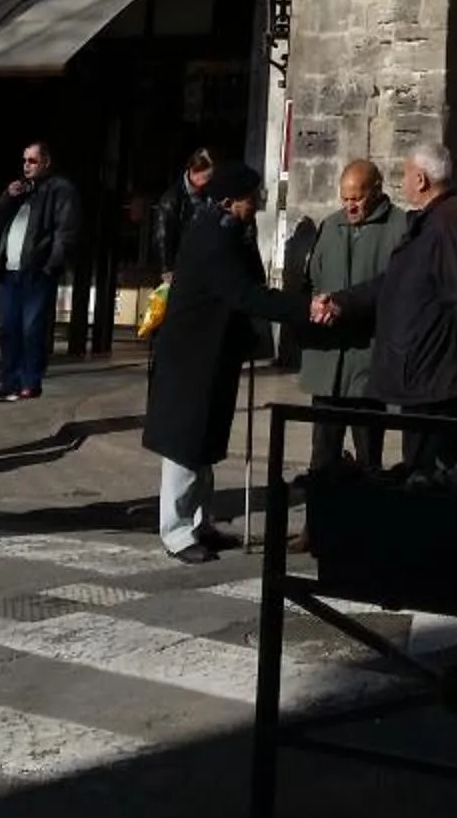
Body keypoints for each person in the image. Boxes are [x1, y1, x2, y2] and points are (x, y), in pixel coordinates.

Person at [141, 160, 312, 562]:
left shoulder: (231, 232)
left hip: (215, 352)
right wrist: (305, 308)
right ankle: (177, 533)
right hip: (191, 356)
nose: (256, 205)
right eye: (251, 198)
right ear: (228, 201)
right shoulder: (212, 239)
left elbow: (251, 281)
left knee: (205, 443)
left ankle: (201, 523)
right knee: (184, 446)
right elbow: (246, 295)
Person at [314, 142, 457, 477]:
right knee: (421, 464)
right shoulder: (430, 222)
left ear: (422, 180)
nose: (404, 182)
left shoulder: (448, 223)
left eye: (407, 175)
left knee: (435, 466)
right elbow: (391, 282)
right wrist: (341, 301)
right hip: (420, 372)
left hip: (433, 371)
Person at [298, 159, 399, 474]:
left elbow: (397, 288)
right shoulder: (330, 225)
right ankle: (318, 521)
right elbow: (314, 278)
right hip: (327, 360)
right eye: (345, 198)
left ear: (377, 190)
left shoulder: (399, 227)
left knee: (369, 454)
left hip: (367, 359)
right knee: (323, 453)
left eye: (357, 198)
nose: (350, 206)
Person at [0, 139, 80, 404]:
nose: (26, 166)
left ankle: (29, 381)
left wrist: (51, 265)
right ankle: (9, 382)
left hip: (37, 271)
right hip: (10, 270)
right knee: (8, 329)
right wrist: (7, 198)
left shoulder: (60, 190)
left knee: (31, 328)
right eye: (24, 160)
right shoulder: (22, 191)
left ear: (46, 162)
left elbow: (67, 231)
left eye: (32, 161)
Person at [151, 148, 216, 281]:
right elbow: (162, 236)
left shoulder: (209, 194)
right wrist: (167, 269)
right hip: (181, 264)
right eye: (206, 177)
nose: (209, 181)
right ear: (193, 171)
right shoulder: (171, 200)